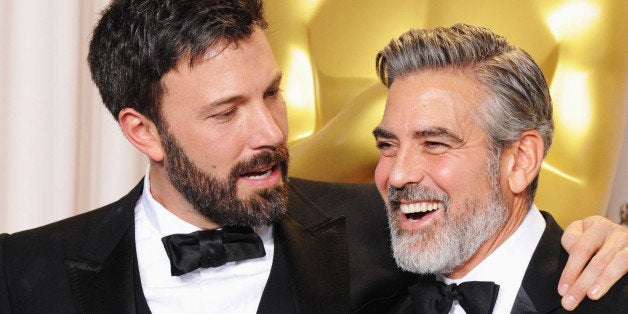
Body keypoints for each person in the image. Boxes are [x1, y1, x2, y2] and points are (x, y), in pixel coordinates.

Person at [0, 1, 624, 313]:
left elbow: (500, 230)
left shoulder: (388, 226)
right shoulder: (25, 275)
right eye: (225, 113)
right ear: (144, 132)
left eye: (272, 93)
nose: (269, 131)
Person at [371, 24, 627, 313]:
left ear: (520, 160)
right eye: (387, 146)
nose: (398, 175)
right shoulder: (373, 297)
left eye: (434, 143)